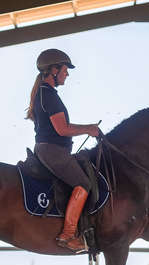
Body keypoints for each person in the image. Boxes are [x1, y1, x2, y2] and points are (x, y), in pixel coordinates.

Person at [26, 49, 100, 253]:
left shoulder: (43, 93)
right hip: (52, 151)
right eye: (65, 70)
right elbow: (62, 129)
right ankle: (68, 235)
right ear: (54, 70)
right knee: (83, 184)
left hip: (48, 149)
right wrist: (89, 129)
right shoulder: (48, 95)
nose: (67, 74)